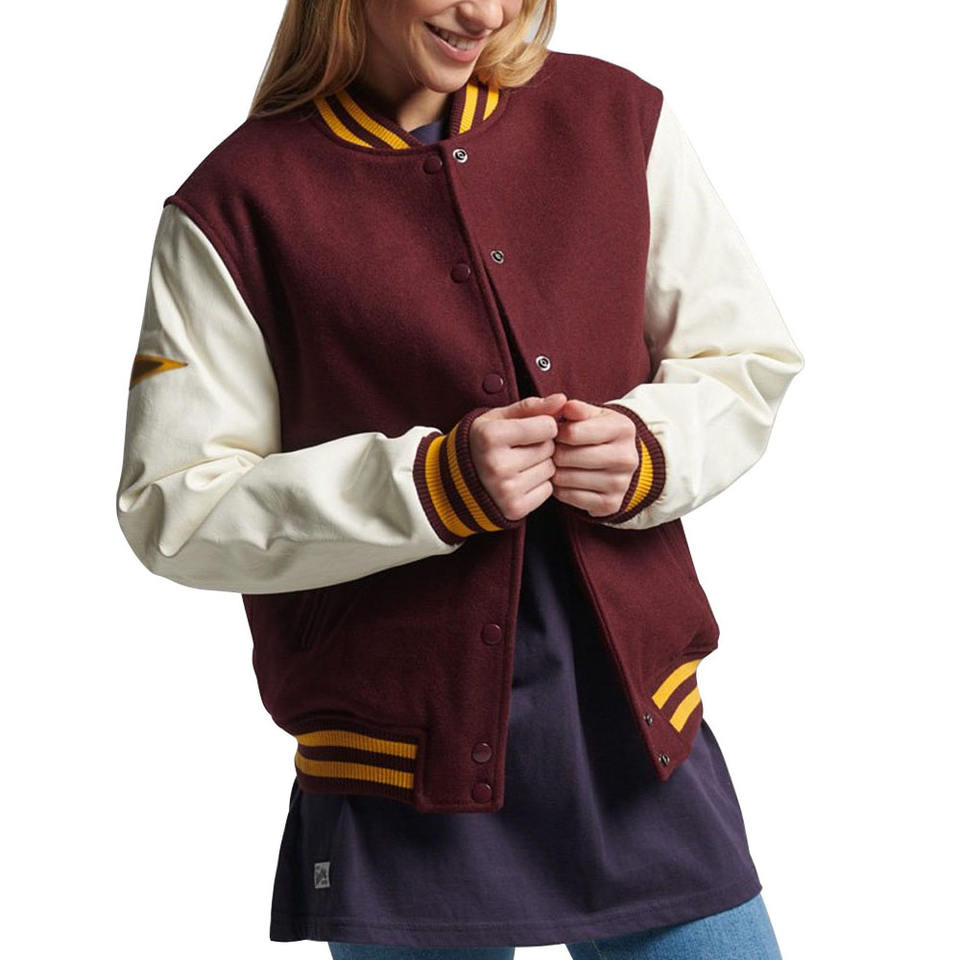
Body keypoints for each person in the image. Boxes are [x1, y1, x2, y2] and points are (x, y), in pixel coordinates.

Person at [115, 1, 804, 957]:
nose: (486, 11)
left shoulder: (617, 117)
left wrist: (652, 448)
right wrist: (427, 485)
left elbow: (744, 357)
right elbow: (173, 508)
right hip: (396, 770)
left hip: (637, 731)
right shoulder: (234, 206)